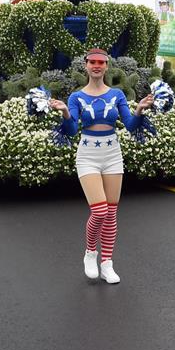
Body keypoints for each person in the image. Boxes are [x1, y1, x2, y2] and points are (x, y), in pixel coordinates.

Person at [50, 48, 154, 284]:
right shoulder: (76, 97)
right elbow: (71, 131)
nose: (96, 66)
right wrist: (65, 112)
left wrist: (139, 110)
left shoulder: (116, 94)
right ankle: (90, 252)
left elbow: (130, 125)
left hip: (112, 155)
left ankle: (107, 263)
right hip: (87, 155)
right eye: (92, 62)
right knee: (99, 211)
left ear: (106, 66)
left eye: (101, 62)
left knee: (111, 212)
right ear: (86, 65)